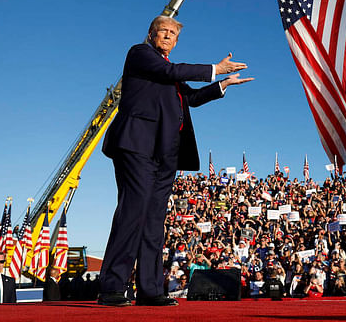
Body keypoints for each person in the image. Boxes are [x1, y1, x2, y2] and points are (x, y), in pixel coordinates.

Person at [97, 15, 253, 307]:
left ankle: (150, 290)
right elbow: (170, 71)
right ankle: (112, 286)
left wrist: (222, 84)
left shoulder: (172, 73)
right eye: (163, 31)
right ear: (151, 35)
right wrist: (214, 68)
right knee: (134, 212)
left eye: (173, 33)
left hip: (166, 153)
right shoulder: (141, 55)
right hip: (136, 145)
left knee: (155, 220)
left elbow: (190, 99)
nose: (168, 36)